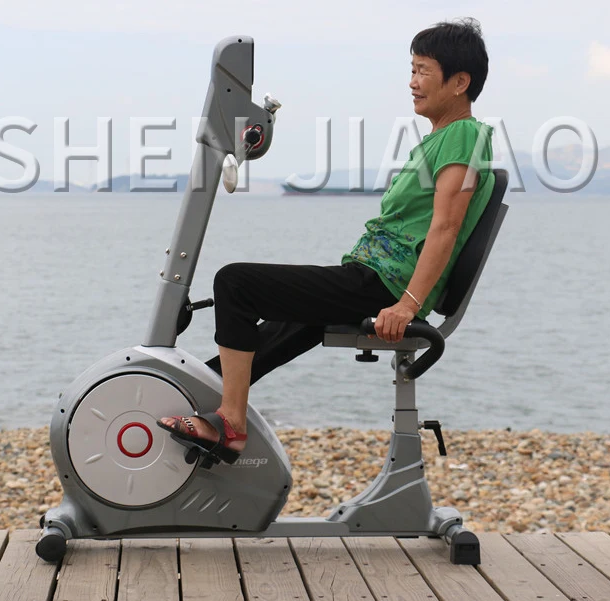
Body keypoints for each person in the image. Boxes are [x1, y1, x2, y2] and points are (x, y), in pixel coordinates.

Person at [158, 18, 495, 463]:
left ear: (460, 82)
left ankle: (231, 425)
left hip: (385, 286)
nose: (412, 82)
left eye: (423, 71)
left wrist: (407, 305)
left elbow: (446, 227)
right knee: (279, 330)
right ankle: (195, 401)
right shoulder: (439, 139)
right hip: (374, 278)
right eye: (411, 70)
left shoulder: (464, 136)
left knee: (235, 284)